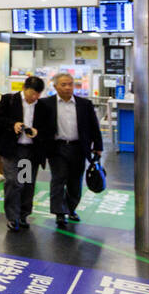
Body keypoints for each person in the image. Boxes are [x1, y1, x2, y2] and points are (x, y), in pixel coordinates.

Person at [0, 75, 54, 232]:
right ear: (24, 89)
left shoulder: (42, 106)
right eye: (32, 94)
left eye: (38, 94)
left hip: (29, 151)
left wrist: (38, 132)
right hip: (12, 149)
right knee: (13, 182)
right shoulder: (9, 100)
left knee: (26, 184)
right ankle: (12, 217)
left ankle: (23, 215)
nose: (34, 97)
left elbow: (48, 128)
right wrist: (13, 124)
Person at [39, 73, 103, 227]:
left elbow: (94, 126)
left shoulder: (84, 104)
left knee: (75, 182)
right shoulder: (46, 104)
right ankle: (60, 213)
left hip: (78, 148)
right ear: (55, 87)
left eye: (70, 84)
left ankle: (71, 208)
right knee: (58, 179)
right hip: (57, 148)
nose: (67, 87)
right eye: (63, 84)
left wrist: (98, 147)